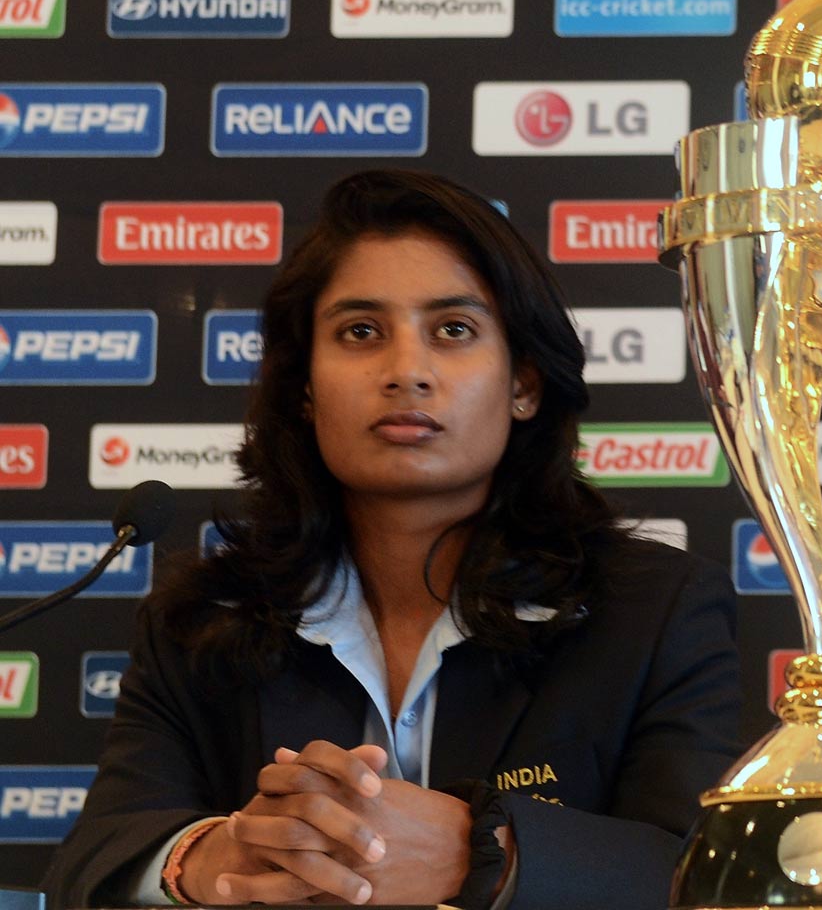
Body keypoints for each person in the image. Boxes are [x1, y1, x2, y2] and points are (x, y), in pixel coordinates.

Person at [45, 170, 741, 909]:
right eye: (360, 332)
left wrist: (484, 856)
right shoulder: (203, 620)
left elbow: (706, 878)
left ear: (524, 385)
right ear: (306, 388)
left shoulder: (657, 611)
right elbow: (90, 867)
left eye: (453, 330)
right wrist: (211, 856)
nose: (406, 371)